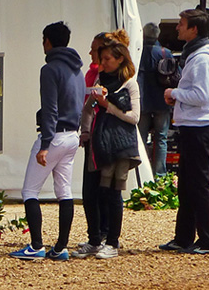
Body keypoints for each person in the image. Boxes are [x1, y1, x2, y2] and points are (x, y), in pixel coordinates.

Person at [9, 22, 85, 261]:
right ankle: (61, 247)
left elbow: (50, 109)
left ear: (48, 41)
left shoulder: (50, 69)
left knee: (30, 190)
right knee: (64, 191)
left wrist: (45, 145)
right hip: (73, 135)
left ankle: (36, 245)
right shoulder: (78, 70)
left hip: (55, 136)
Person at [159, 9, 209, 255]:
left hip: (199, 126)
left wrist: (173, 93)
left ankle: (208, 240)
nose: (177, 28)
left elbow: (201, 95)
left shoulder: (203, 59)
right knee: (186, 185)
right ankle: (184, 237)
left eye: (181, 24)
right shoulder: (198, 55)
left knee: (198, 185)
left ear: (194, 29)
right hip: (192, 125)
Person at [76, 30, 140, 259]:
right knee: (93, 192)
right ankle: (95, 240)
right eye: (101, 58)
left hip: (119, 145)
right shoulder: (100, 80)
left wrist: (107, 106)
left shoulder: (130, 84)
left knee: (112, 193)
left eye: (106, 59)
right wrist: (85, 131)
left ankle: (112, 241)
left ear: (120, 58)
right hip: (98, 142)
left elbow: (135, 117)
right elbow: (87, 108)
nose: (101, 63)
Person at [74, 32, 109, 257]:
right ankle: (97, 234)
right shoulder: (91, 73)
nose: (90, 53)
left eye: (94, 49)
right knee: (94, 188)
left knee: (97, 189)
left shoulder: (104, 77)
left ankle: (100, 234)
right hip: (91, 135)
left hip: (101, 137)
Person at [136, 22, 173, 177]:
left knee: (141, 138)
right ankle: (160, 175)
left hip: (142, 101)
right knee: (161, 139)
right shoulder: (165, 53)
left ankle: (143, 174)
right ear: (158, 36)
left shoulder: (137, 52)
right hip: (162, 101)